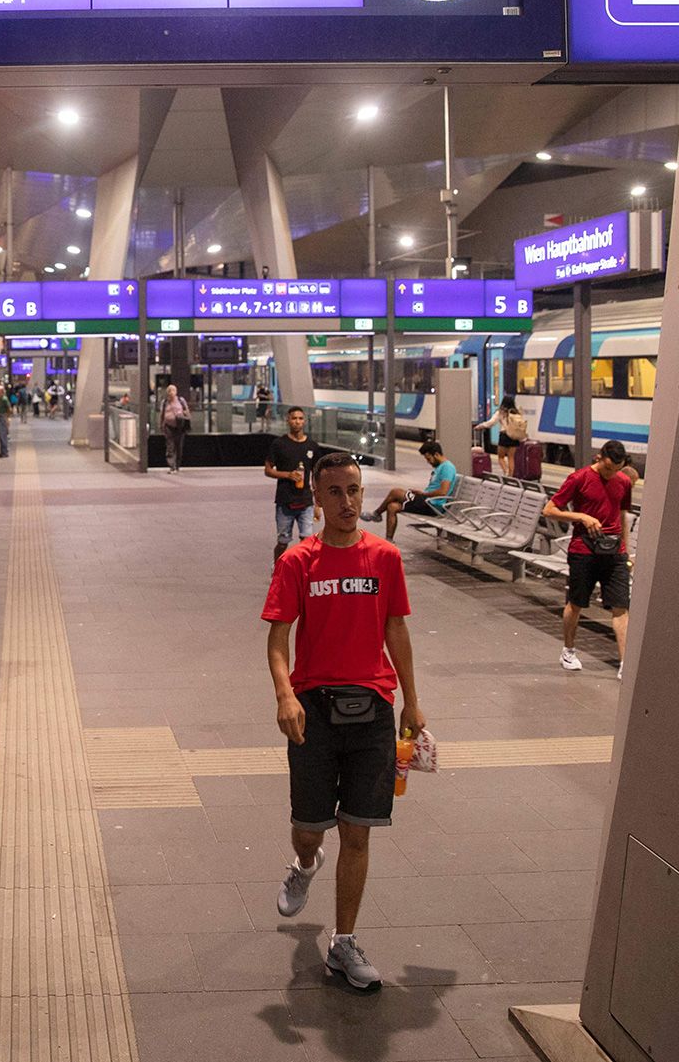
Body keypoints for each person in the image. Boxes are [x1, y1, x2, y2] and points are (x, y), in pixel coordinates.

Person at [263, 451, 425, 991]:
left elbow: (396, 629)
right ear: (316, 498)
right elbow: (278, 638)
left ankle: (343, 942)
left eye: (354, 490)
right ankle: (305, 864)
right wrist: (285, 696)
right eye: (334, 492)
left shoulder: (385, 557)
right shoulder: (298, 562)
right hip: (314, 712)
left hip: (373, 710)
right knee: (310, 828)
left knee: (359, 831)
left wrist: (412, 700)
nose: (347, 502)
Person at [544, 440, 636, 675]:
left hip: (614, 553)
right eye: (608, 469)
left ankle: (625, 664)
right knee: (576, 604)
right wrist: (582, 517)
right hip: (583, 551)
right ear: (598, 458)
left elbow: (622, 515)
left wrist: (625, 549)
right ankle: (568, 650)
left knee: (620, 607)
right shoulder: (579, 478)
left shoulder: (624, 482)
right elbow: (550, 509)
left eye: (616, 469)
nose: (611, 474)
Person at [366, 440, 458, 541]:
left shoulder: (447, 468)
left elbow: (443, 491)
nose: (428, 462)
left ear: (436, 454)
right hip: (427, 502)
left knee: (395, 492)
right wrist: (421, 494)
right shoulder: (439, 467)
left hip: (433, 505)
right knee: (392, 507)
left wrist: (424, 494)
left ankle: (376, 514)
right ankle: (389, 540)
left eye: (429, 458)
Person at [264, 406, 323, 564]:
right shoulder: (279, 444)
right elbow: (268, 470)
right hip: (285, 501)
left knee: (307, 540)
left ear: (304, 421)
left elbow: (316, 476)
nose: (297, 422)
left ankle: (305, 571)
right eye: (294, 418)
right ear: (288, 420)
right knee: (283, 541)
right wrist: (287, 475)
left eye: (300, 418)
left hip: (306, 501)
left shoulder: (312, 446)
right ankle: (277, 568)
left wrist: (318, 503)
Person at [475, 396, 529, 476]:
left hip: (504, 436)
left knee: (501, 457)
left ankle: (505, 471)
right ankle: (511, 475)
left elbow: (491, 423)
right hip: (514, 437)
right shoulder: (516, 413)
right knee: (511, 457)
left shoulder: (501, 412)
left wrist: (480, 426)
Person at [160, 383, 191, 473]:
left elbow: (187, 412)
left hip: (180, 427)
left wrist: (184, 414)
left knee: (179, 446)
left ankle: (177, 465)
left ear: (176, 392)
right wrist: (161, 424)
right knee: (170, 446)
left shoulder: (181, 401)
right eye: (169, 391)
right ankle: (172, 466)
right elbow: (162, 414)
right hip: (168, 426)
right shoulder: (165, 402)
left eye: (173, 390)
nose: (171, 392)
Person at [0, 383, 12, 458]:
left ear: (1, 391)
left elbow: (9, 409)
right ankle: (2, 452)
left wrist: (7, 418)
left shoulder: (4, 399)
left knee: (3, 435)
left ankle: (4, 452)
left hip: (2, 418)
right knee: (0, 435)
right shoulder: (0, 398)